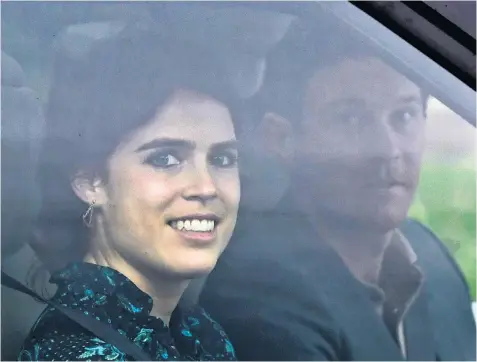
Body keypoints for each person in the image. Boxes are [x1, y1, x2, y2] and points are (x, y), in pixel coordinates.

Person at [200, 21, 476, 361]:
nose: (388, 149)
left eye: (403, 116)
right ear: (282, 140)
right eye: (351, 119)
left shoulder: (429, 255)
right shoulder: (257, 289)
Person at [18, 22, 241, 361]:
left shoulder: (194, 329)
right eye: (165, 158)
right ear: (91, 181)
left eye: (222, 158)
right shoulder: (82, 351)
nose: (206, 187)